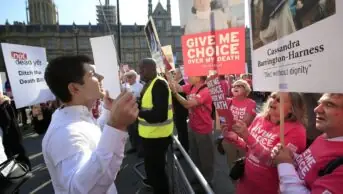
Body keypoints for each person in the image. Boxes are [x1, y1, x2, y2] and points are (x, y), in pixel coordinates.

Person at [42, 55, 138, 194]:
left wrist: (108, 112)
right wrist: (117, 126)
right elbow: (82, 190)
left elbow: (93, 136)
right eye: (92, 74)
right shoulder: (64, 133)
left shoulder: (76, 118)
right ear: (74, 89)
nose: (101, 78)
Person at [223, 92, 307, 194]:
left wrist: (247, 136)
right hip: (246, 183)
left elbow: (273, 161)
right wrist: (235, 137)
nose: (273, 101)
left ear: (291, 109)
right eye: (273, 97)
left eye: (279, 100)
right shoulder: (259, 118)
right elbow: (248, 148)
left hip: (267, 188)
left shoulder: (297, 131)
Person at [273, 93, 343, 194]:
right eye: (319, 103)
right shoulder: (325, 136)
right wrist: (292, 157)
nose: (316, 109)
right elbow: (309, 165)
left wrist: (284, 164)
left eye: (329, 104)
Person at [170, 75, 214, 185]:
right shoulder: (191, 87)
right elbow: (178, 87)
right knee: (195, 155)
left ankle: (207, 182)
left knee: (206, 158)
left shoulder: (206, 90)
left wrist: (175, 94)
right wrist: (169, 74)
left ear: (198, 78)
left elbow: (188, 104)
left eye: (191, 75)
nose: (188, 76)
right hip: (193, 127)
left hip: (203, 130)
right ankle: (198, 177)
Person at [138, 58, 173, 194]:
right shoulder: (150, 83)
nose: (140, 71)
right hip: (151, 136)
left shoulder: (159, 84)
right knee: (152, 171)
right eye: (139, 68)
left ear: (153, 69)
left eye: (143, 68)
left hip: (158, 137)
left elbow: (160, 115)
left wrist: (138, 112)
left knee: (158, 173)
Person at [220, 79, 256, 168]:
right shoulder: (228, 101)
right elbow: (222, 119)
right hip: (228, 139)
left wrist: (229, 125)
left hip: (243, 140)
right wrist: (222, 125)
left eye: (239, 86)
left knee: (243, 166)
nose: (236, 87)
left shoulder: (251, 103)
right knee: (232, 165)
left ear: (246, 90)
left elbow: (245, 123)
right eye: (234, 86)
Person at [124, 70, 144, 155]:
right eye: (127, 77)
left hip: (137, 110)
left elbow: (141, 99)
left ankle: (141, 149)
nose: (128, 79)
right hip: (128, 111)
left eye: (130, 77)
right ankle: (134, 146)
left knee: (138, 130)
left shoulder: (140, 86)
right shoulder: (126, 86)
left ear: (135, 77)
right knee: (131, 130)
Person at [171, 68, 189, 152]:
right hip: (176, 111)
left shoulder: (182, 83)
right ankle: (181, 146)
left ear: (180, 74)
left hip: (181, 111)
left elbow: (182, 98)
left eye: (175, 73)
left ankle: (185, 149)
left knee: (183, 130)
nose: (173, 75)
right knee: (179, 130)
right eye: (173, 73)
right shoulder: (177, 83)